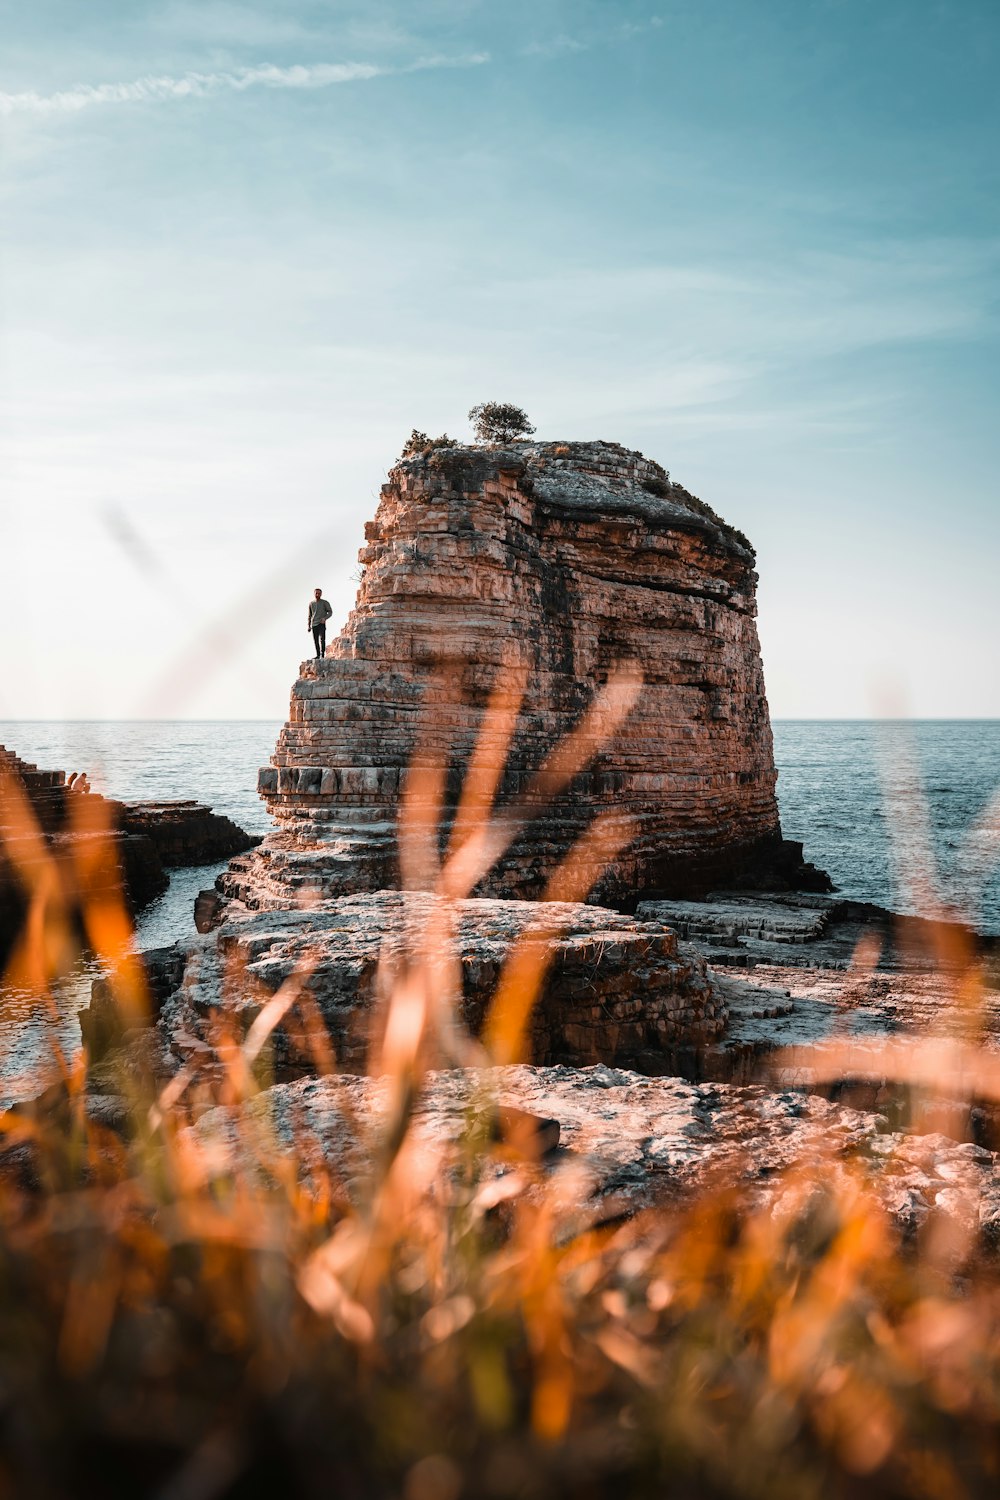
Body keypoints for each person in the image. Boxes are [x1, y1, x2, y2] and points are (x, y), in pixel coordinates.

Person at [308, 587, 333, 659]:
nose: (317, 594)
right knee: (316, 640)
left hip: (321, 623)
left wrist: (325, 618)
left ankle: (322, 655)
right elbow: (309, 615)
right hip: (314, 624)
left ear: (321, 594)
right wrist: (309, 626)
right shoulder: (311, 603)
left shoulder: (325, 602)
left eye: (319, 593)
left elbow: (330, 612)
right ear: (314, 594)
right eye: (316, 593)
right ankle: (318, 655)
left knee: (322, 639)